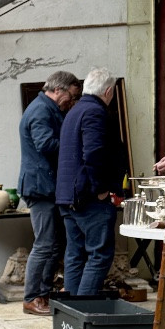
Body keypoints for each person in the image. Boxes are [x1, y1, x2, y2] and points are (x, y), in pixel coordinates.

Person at [17, 71, 82, 315]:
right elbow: (45, 144)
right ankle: (32, 298)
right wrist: (76, 145)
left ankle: (41, 295)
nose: (72, 102)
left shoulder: (44, 108)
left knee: (52, 245)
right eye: (72, 96)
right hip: (40, 187)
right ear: (59, 90)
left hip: (45, 185)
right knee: (44, 244)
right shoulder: (41, 110)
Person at [55, 67, 123, 296]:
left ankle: (72, 318)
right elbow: (94, 153)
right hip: (88, 197)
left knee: (75, 254)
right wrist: (101, 189)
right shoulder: (95, 112)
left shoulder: (74, 112)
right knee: (99, 254)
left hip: (68, 195)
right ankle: (84, 309)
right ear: (108, 91)